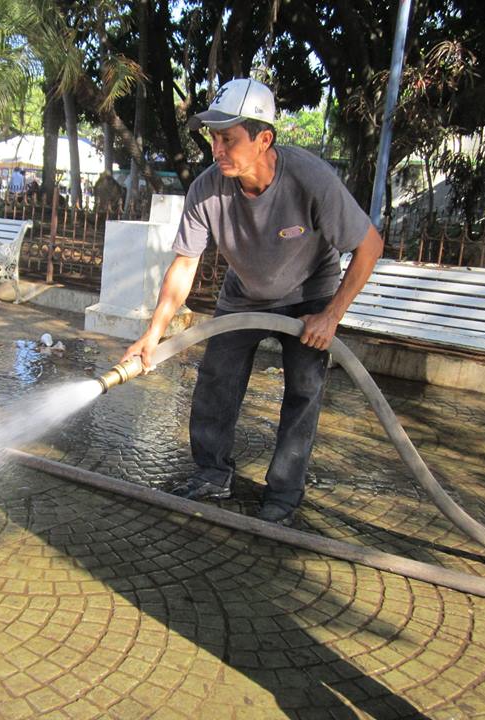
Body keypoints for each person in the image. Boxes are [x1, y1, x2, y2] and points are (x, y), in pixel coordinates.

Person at [122, 78, 383, 526]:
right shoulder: (208, 190)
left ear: (264, 139)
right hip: (243, 295)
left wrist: (331, 315)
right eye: (213, 139)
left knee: (303, 391)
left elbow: (370, 245)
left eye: (228, 139)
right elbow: (184, 267)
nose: (217, 150)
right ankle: (211, 472)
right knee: (216, 382)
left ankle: (284, 491)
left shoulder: (310, 179)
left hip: (309, 296)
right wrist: (152, 335)